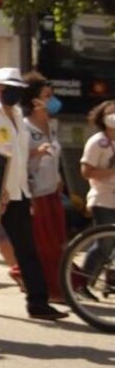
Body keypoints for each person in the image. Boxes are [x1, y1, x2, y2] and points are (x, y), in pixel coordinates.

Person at [0, 68, 67, 320]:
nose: (13, 93)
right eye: (8, 88)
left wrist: (26, 179)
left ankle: (37, 302)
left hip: (18, 191)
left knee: (27, 248)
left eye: (17, 89)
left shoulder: (19, 114)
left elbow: (19, 155)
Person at [21, 73, 66, 301]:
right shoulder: (25, 126)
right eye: (46, 96)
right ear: (34, 99)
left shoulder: (52, 124)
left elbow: (55, 156)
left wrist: (58, 180)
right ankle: (48, 289)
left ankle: (60, 285)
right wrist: (36, 152)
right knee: (43, 244)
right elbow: (19, 157)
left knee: (57, 242)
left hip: (51, 191)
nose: (51, 100)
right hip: (35, 192)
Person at [78, 100, 115, 284]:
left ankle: (96, 281)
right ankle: (83, 281)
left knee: (109, 247)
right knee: (104, 242)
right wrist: (111, 172)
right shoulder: (97, 142)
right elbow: (86, 171)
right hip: (102, 199)